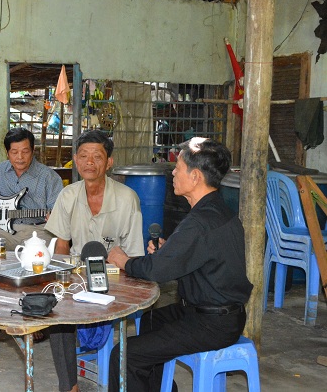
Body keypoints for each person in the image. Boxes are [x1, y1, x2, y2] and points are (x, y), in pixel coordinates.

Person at [106, 137, 253, 391]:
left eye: (178, 168)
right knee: (151, 321)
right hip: (220, 314)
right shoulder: (217, 210)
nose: (172, 173)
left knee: (125, 355)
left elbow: (156, 271)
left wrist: (124, 261)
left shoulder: (199, 222)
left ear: (195, 177)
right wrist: (169, 252)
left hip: (211, 324)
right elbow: (197, 259)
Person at [45, 129, 145, 392]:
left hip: (115, 277)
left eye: (97, 156)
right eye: (83, 156)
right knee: (57, 313)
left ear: (109, 162)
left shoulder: (127, 198)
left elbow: (134, 255)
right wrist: (62, 278)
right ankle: (70, 387)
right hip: (77, 275)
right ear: (76, 160)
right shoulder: (68, 195)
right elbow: (62, 244)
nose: (89, 162)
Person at [0, 127, 63, 252]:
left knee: (40, 257)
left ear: (33, 150)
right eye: (14, 152)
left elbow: (58, 211)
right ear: (7, 152)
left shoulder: (49, 177)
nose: (20, 157)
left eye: (25, 152)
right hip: (2, 232)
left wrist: (54, 216)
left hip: (39, 231)